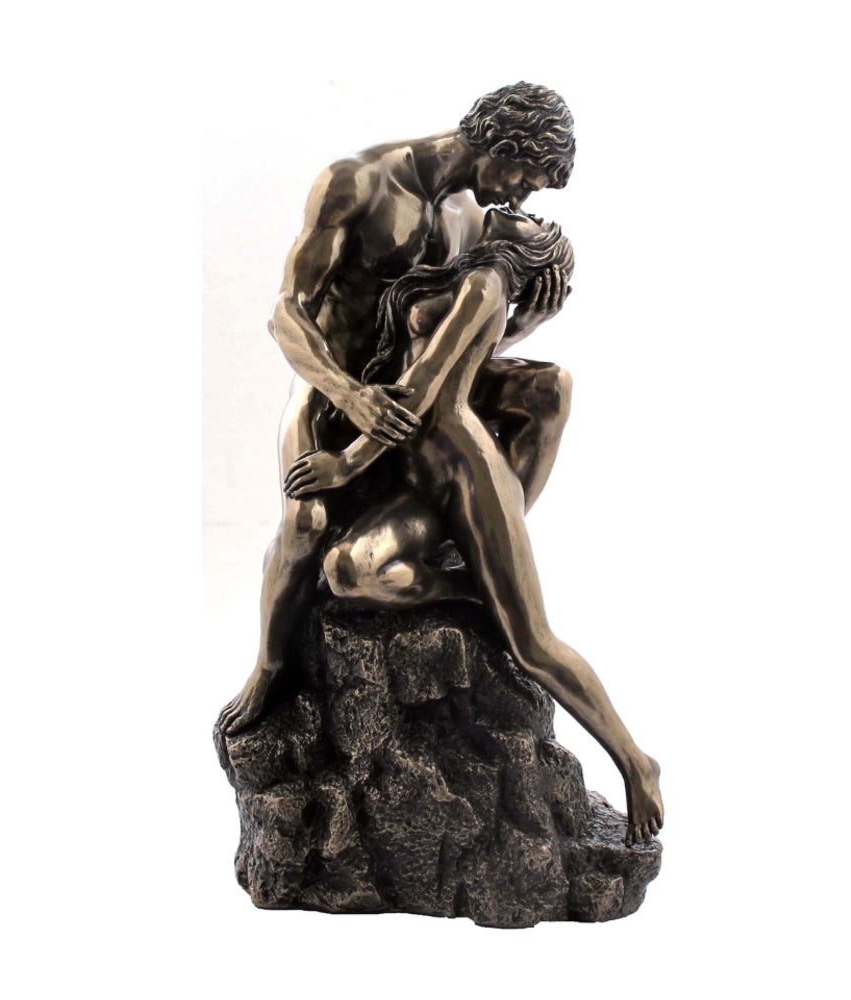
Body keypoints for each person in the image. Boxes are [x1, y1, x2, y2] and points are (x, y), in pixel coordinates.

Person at [281, 210, 664, 847]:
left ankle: (635, 761)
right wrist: (527, 325)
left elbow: (418, 390)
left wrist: (344, 463)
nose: (523, 209)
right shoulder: (461, 275)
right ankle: (474, 592)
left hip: (466, 473)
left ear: (530, 256)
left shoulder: (485, 284)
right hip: (418, 482)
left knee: (533, 644)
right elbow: (458, 354)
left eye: (537, 222)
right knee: (348, 571)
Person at [219, 84, 576, 736]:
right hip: (333, 388)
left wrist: (530, 321)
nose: (522, 199)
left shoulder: (469, 216)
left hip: (410, 395)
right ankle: (269, 667)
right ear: (504, 143)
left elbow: (447, 352)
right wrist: (348, 394)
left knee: (548, 389)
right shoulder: (357, 181)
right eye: (526, 178)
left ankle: (478, 553)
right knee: (305, 525)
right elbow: (286, 312)